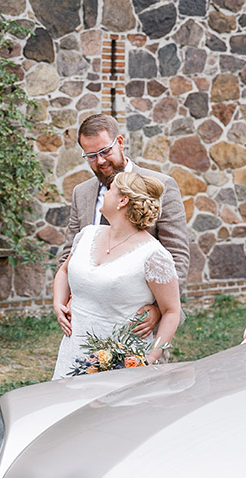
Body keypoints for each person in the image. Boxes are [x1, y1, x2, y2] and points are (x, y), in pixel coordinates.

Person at [58, 113, 190, 338]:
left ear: (120, 142)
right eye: (91, 156)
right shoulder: (82, 193)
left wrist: (161, 308)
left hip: (138, 324)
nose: (100, 161)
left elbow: (177, 256)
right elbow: (68, 254)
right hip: (85, 325)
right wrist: (63, 301)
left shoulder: (161, 186)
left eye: (105, 151)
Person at [52, 172, 182, 379]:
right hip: (72, 352)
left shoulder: (154, 255)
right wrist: (58, 302)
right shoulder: (87, 235)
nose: (104, 194)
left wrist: (148, 360)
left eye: (110, 190)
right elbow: (64, 271)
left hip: (122, 362)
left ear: (123, 201)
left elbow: (172, 311)